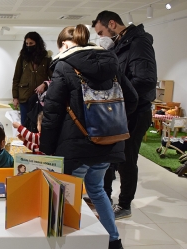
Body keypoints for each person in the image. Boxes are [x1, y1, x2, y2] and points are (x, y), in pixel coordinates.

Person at [40, 24, 138, 249]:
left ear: (65, 44)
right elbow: (131, 99)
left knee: (65, 195)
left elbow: (52, 112)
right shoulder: (111, 64)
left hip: (76, 148)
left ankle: (64, 242)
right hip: (106, 144)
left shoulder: (64, 67)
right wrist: (108, 123)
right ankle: (114, 240)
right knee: (97, 190)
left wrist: (46, 149)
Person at [93, 10, 157, 220]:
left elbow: (145, 79)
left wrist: (120, 96)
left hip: (135, 112)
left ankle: (125, 204)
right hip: (119, 111)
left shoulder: (138, 42)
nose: (102, 37)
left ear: (112, 24)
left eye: (102, 32)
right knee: (110, 158)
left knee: (126, 160)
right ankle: (105, 198)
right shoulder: (120, 43)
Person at [12, 32, 53, 125]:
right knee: (25, 124)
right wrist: (15, 97)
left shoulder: (46, 58)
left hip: (40, 98)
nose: (28, 46)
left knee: (39, 124)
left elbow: (53, 77)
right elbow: (16, 78)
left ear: (37, 43)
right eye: (26, 43)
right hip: (24, 97)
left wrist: (45, 84)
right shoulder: (22, 57)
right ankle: (26, 140)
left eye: (31, 43)